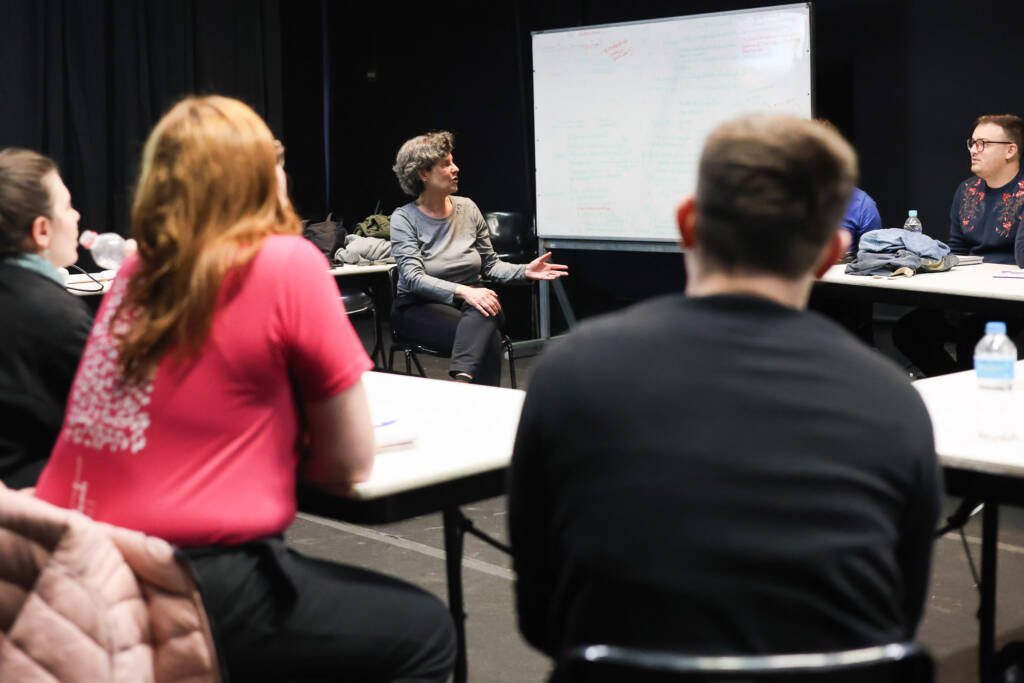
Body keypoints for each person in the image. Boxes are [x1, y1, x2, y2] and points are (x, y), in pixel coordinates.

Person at [34, 96, 455, 682]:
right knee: (426, 633)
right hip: (183, 574)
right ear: (258, 176)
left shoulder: (140, 270)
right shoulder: (286, 262)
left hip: (75, 563)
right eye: (274, 160)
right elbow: (348, 461)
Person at [509, 114, 942, 662]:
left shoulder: (568, 372)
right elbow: (897, 616)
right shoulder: (894, 400)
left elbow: (543, 616)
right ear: (831, 254)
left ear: (688, 223)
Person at [390, 131, 567, 386]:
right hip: (418, 306)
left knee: (482, 308)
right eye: (446, 164)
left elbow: (491, 265)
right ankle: (472, 393)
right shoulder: (404, 218)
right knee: (488, 336)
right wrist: (465, 291)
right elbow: (413, 278)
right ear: (423, 173)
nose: (455, 168)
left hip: (474, 304)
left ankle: (463, 385)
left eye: (453, 161)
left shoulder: (467, 208)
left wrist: (524, 271)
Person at [893, 114, 1024, 376]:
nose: (974, 150)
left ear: (1011, 150)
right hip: (968, 294)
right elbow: (958, 249)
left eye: (983, 143)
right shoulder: (967, 190)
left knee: (972, 333)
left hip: (1008, 300)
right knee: (908, 330)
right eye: (972, 143)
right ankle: (951, 382)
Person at [0, 148, 91, 488]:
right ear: (41, 230)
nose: (76, 215)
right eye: (67, 206)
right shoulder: (57, 315)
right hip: (27, 507)